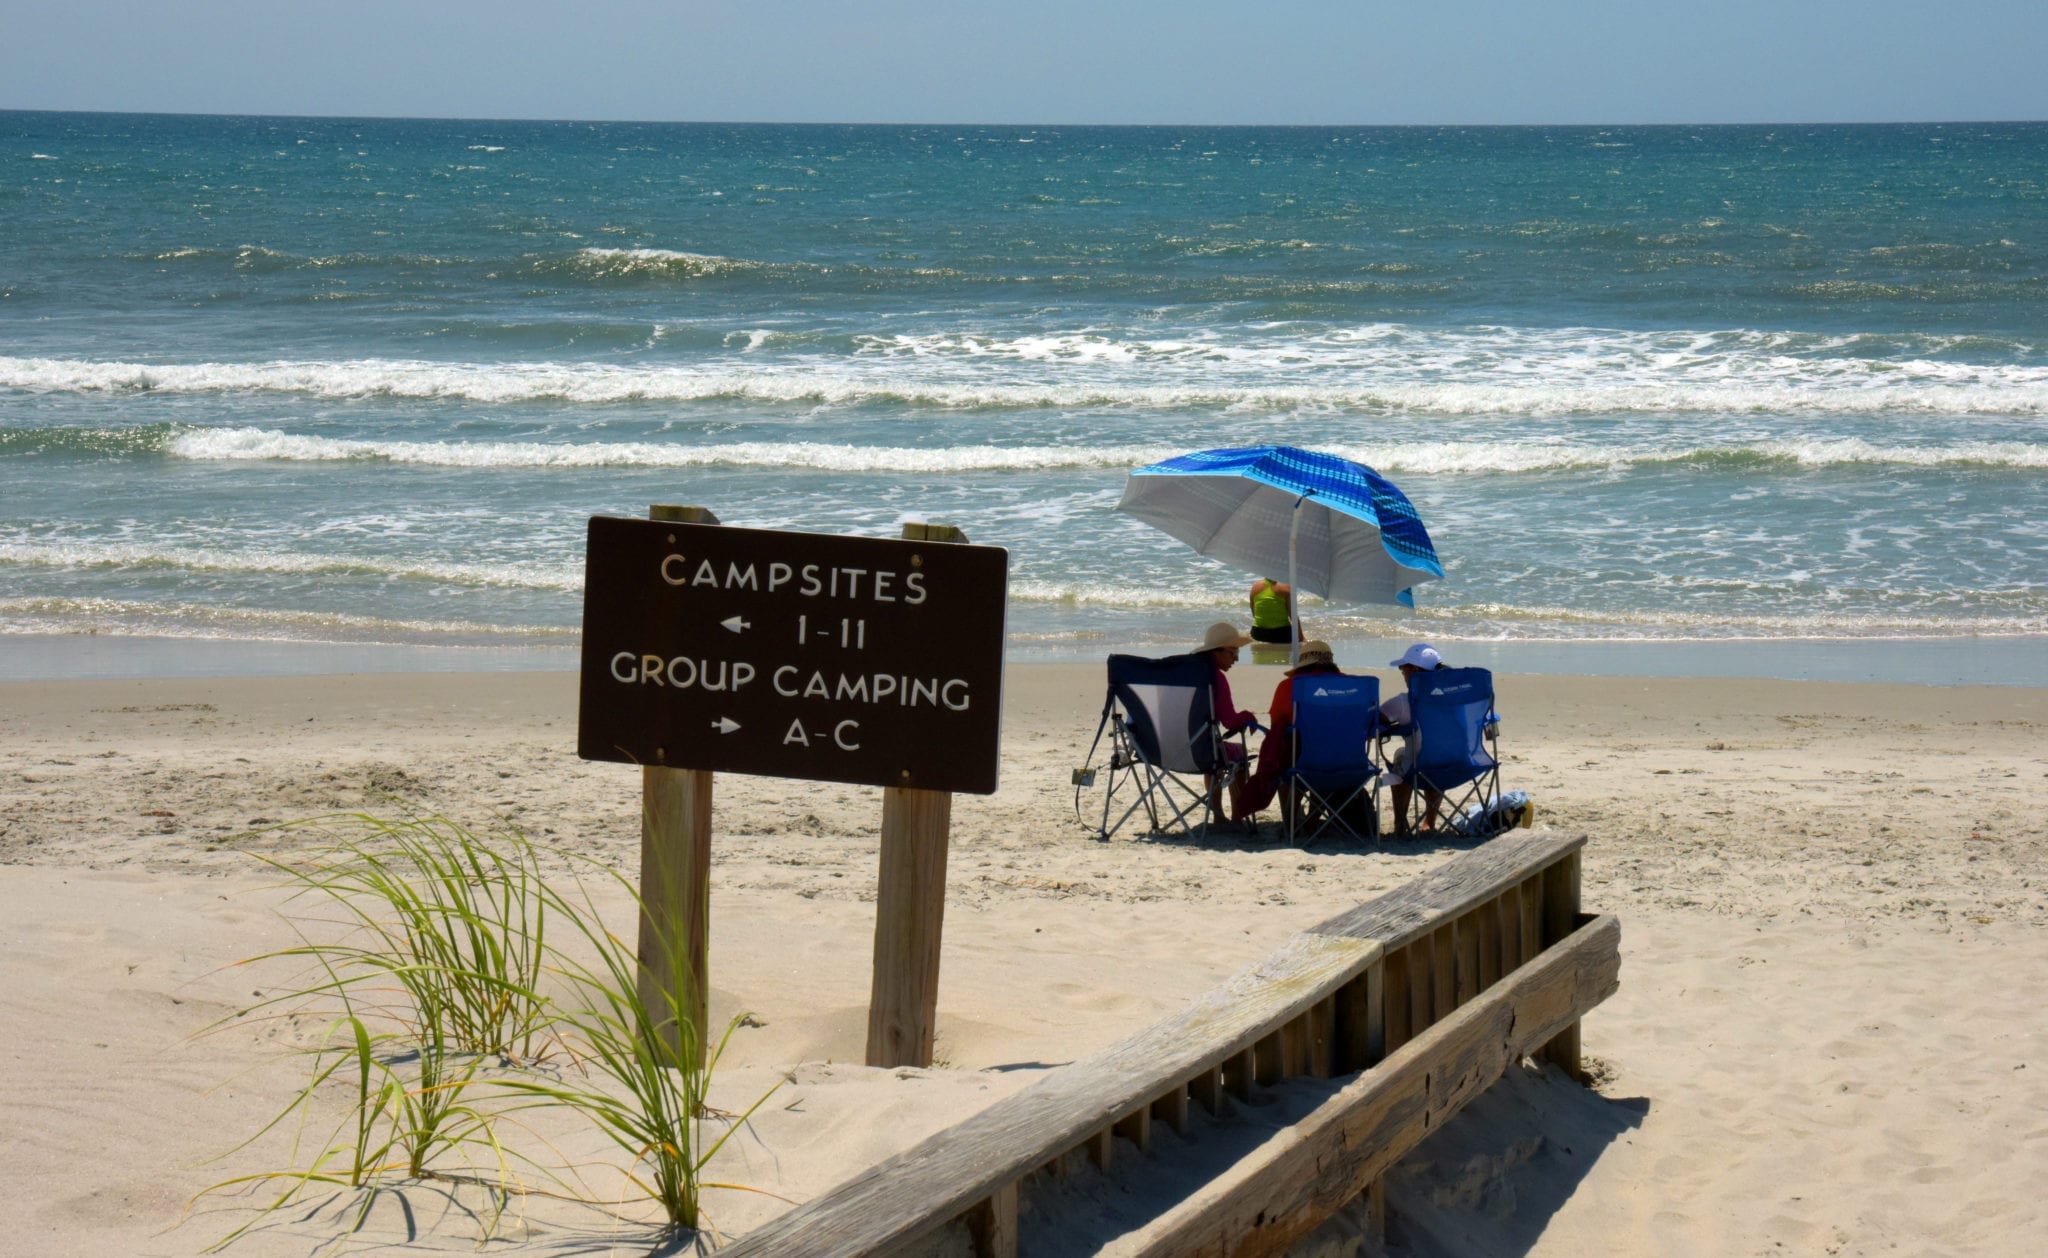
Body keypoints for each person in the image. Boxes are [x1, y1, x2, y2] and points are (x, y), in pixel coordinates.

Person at [1232, 639, 1344, 822]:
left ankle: (1291, 820)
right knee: (1322, 748)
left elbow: (1277, 724)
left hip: (1303, 763)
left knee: (1284, 754)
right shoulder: (1352, 687)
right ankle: (1313, 819)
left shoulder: (1289, 687)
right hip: (1347, 762)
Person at [1194, 621, 1261, 826]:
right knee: (1235, 752)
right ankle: (1237, 816)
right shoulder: (1215, 677)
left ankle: (1217, 814)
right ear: (1216, 652)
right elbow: (1230, 721)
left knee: (1211, 747)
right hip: (1200, 751)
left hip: (1164, 750)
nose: (1236, 659)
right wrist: (1248, 716)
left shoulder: (1183, 675)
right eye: (1233, 652)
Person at [1380, 642, 1448, 837]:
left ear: (1413, 671)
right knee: (1437, 753)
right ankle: (1429, 822)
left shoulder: (1404, 702)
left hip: (1420, 768)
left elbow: (1376, 720)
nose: (1402, 672)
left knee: (1402, 757)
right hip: (1458, 764)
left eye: (1403, 668)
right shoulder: (1458, 700)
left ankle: (1400, 826)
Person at [1247, 577, 1297, 645]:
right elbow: (1293, 616)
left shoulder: (1254, 587)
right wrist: (1301, 637)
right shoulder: (1286, 588)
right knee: (1282, 655)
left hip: (1258, 634)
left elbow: (1254, 614)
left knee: (1260, 655)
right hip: (1281, 634)